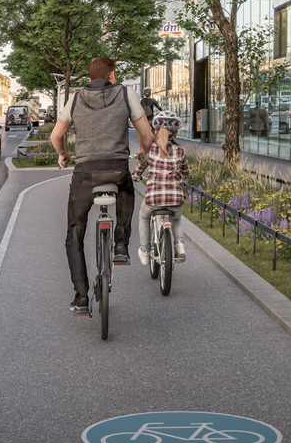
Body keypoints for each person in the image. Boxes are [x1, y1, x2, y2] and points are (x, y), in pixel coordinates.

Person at [50, 57, 155, 316]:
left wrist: (63, 154)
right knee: (127, 189)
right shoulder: (127, 94)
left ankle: (81, 296)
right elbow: (147, 134)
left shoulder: (75, 98)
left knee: (74, 232)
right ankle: (120, 244)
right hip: (117, 170)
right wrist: (144, 152)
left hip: (85, 174)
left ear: (90, 76)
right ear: (112, 74)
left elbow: (56, 135)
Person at [133, 110, 189, 264]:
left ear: (155, 130)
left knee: (144, 216)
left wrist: (136, 177)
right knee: (176, 219)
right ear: (175, 133)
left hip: (154, 199)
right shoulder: (180, 150)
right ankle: (179, 245)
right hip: (176, 199)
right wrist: (185, 176)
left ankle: (145, 250)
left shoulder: (149, 149)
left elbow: (139, 169)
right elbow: (185, 172)